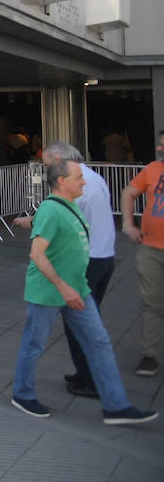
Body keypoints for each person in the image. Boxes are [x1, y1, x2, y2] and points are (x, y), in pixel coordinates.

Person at [10, 155, 156, 424]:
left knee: (99, 342)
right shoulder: (52, 209)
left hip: (78, 289)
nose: (84, 181)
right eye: (78, 177)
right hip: (50, 292)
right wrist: (63, 287)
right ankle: (22, 394)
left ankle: (116, 405)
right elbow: (37, 254)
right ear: (62, 181)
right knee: (34, 343)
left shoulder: (72, 204)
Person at [21, 143, 115, 399]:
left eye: (47, 163)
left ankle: (90, 379)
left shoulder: (78, 185)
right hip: (103, 256)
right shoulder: (92, 177)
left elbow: (60, 216)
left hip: (89, 261)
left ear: (60, 160)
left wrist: (31, 220)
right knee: (82, 321)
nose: (46, 169)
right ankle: (84, 374)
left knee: (81, 323)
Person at [121, 130, 164, 378]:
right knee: (152, 303)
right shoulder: (152, 169)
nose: (160, 150)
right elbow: (128, 193)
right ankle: (150, 355)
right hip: (151, 249)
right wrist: (128, 225)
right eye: (159, 145)